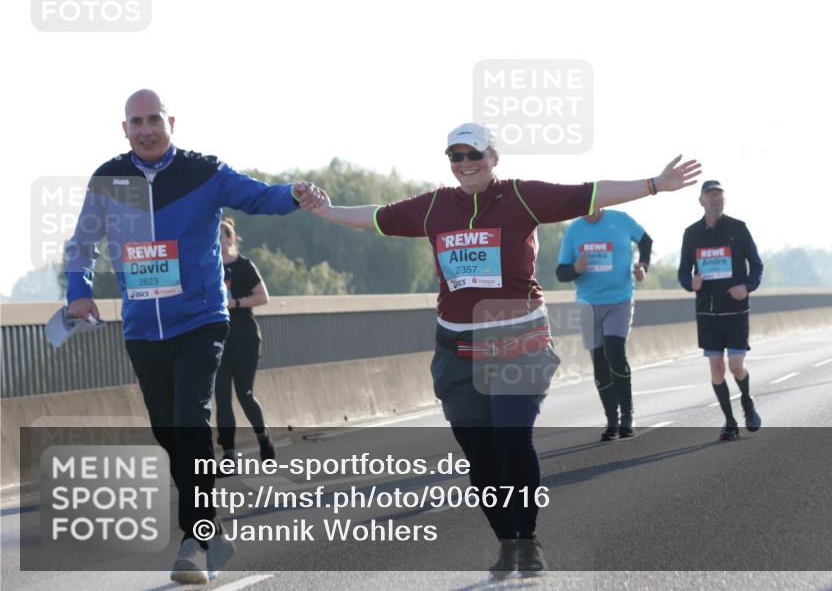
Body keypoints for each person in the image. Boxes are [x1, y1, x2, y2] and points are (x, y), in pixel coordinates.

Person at [300, 122, 700, 577]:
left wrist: (654, 185)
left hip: (518, 340)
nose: (465, 163)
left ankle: (527, 539)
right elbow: (376, 217)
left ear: (494, 157)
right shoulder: (434, 207)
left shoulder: (521, 197)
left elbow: (588, 194)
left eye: (475, 154)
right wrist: (326, 211)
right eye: (456, 155)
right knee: (481, 459)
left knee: (511, 439)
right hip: (456, 348)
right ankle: (507, 541)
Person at [64, 90, 326, 584]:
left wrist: (295, 193)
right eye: (136, 122)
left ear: (171, 123)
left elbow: (257, 195)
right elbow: (82, 244)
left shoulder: (203, 172)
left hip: (201, 319)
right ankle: (211, 529)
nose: (146, 129)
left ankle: (195, 540)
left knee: (189, 419)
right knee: (169, 432)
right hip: (143, 329)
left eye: (154, 120)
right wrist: (77, 291)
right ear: (125, 129)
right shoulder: (107, 179)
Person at [555, 208, 653, 441]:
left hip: (619, 299)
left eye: (593, 205)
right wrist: (575, 269)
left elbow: (646, 241)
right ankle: (612, 420)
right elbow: (561, 272)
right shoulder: (574, 230)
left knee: (614, 351)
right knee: (599, 361)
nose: (589, 212)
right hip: (588, 303)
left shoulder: (621, 220)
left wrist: (643, 266)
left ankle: (627, 416)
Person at [678, 180, 763, 442]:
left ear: (724, 200)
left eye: (719, 195)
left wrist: (747, 287)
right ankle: (729, 422)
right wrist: (689, 283)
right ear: (701, 200)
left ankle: (747, 401)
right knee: (717, 368)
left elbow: (757, 266)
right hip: (707, 313)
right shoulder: (691, 233)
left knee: (736, 366)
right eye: (710, 195)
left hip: (736, 312)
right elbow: (683, 272)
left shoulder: (738, 228)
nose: (715, 200)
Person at [215, 218, 275, 467]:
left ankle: (263, 437)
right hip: (217, 339)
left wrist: (235, 303)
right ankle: (229, 455)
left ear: (231, 239)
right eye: (214, 236)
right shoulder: (207, 267)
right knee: (221, 398)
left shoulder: (243, 266)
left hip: (245, 338)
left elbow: (263, 297)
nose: (219, 241)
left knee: (245, 394)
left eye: (223, 236)